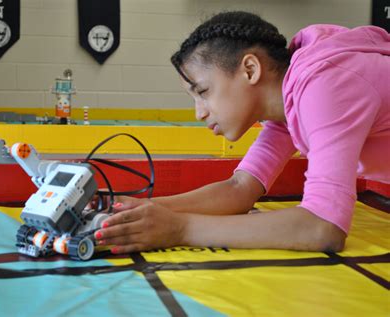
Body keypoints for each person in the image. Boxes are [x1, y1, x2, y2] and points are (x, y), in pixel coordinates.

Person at [93, 11, 390, 254]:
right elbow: (240, 189)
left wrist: (179, 228)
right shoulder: (288, 104)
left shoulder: (324, 85)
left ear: (250, 69)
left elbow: (323, 227)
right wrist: (143, 207)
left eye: (204, 92)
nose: (200, 112)